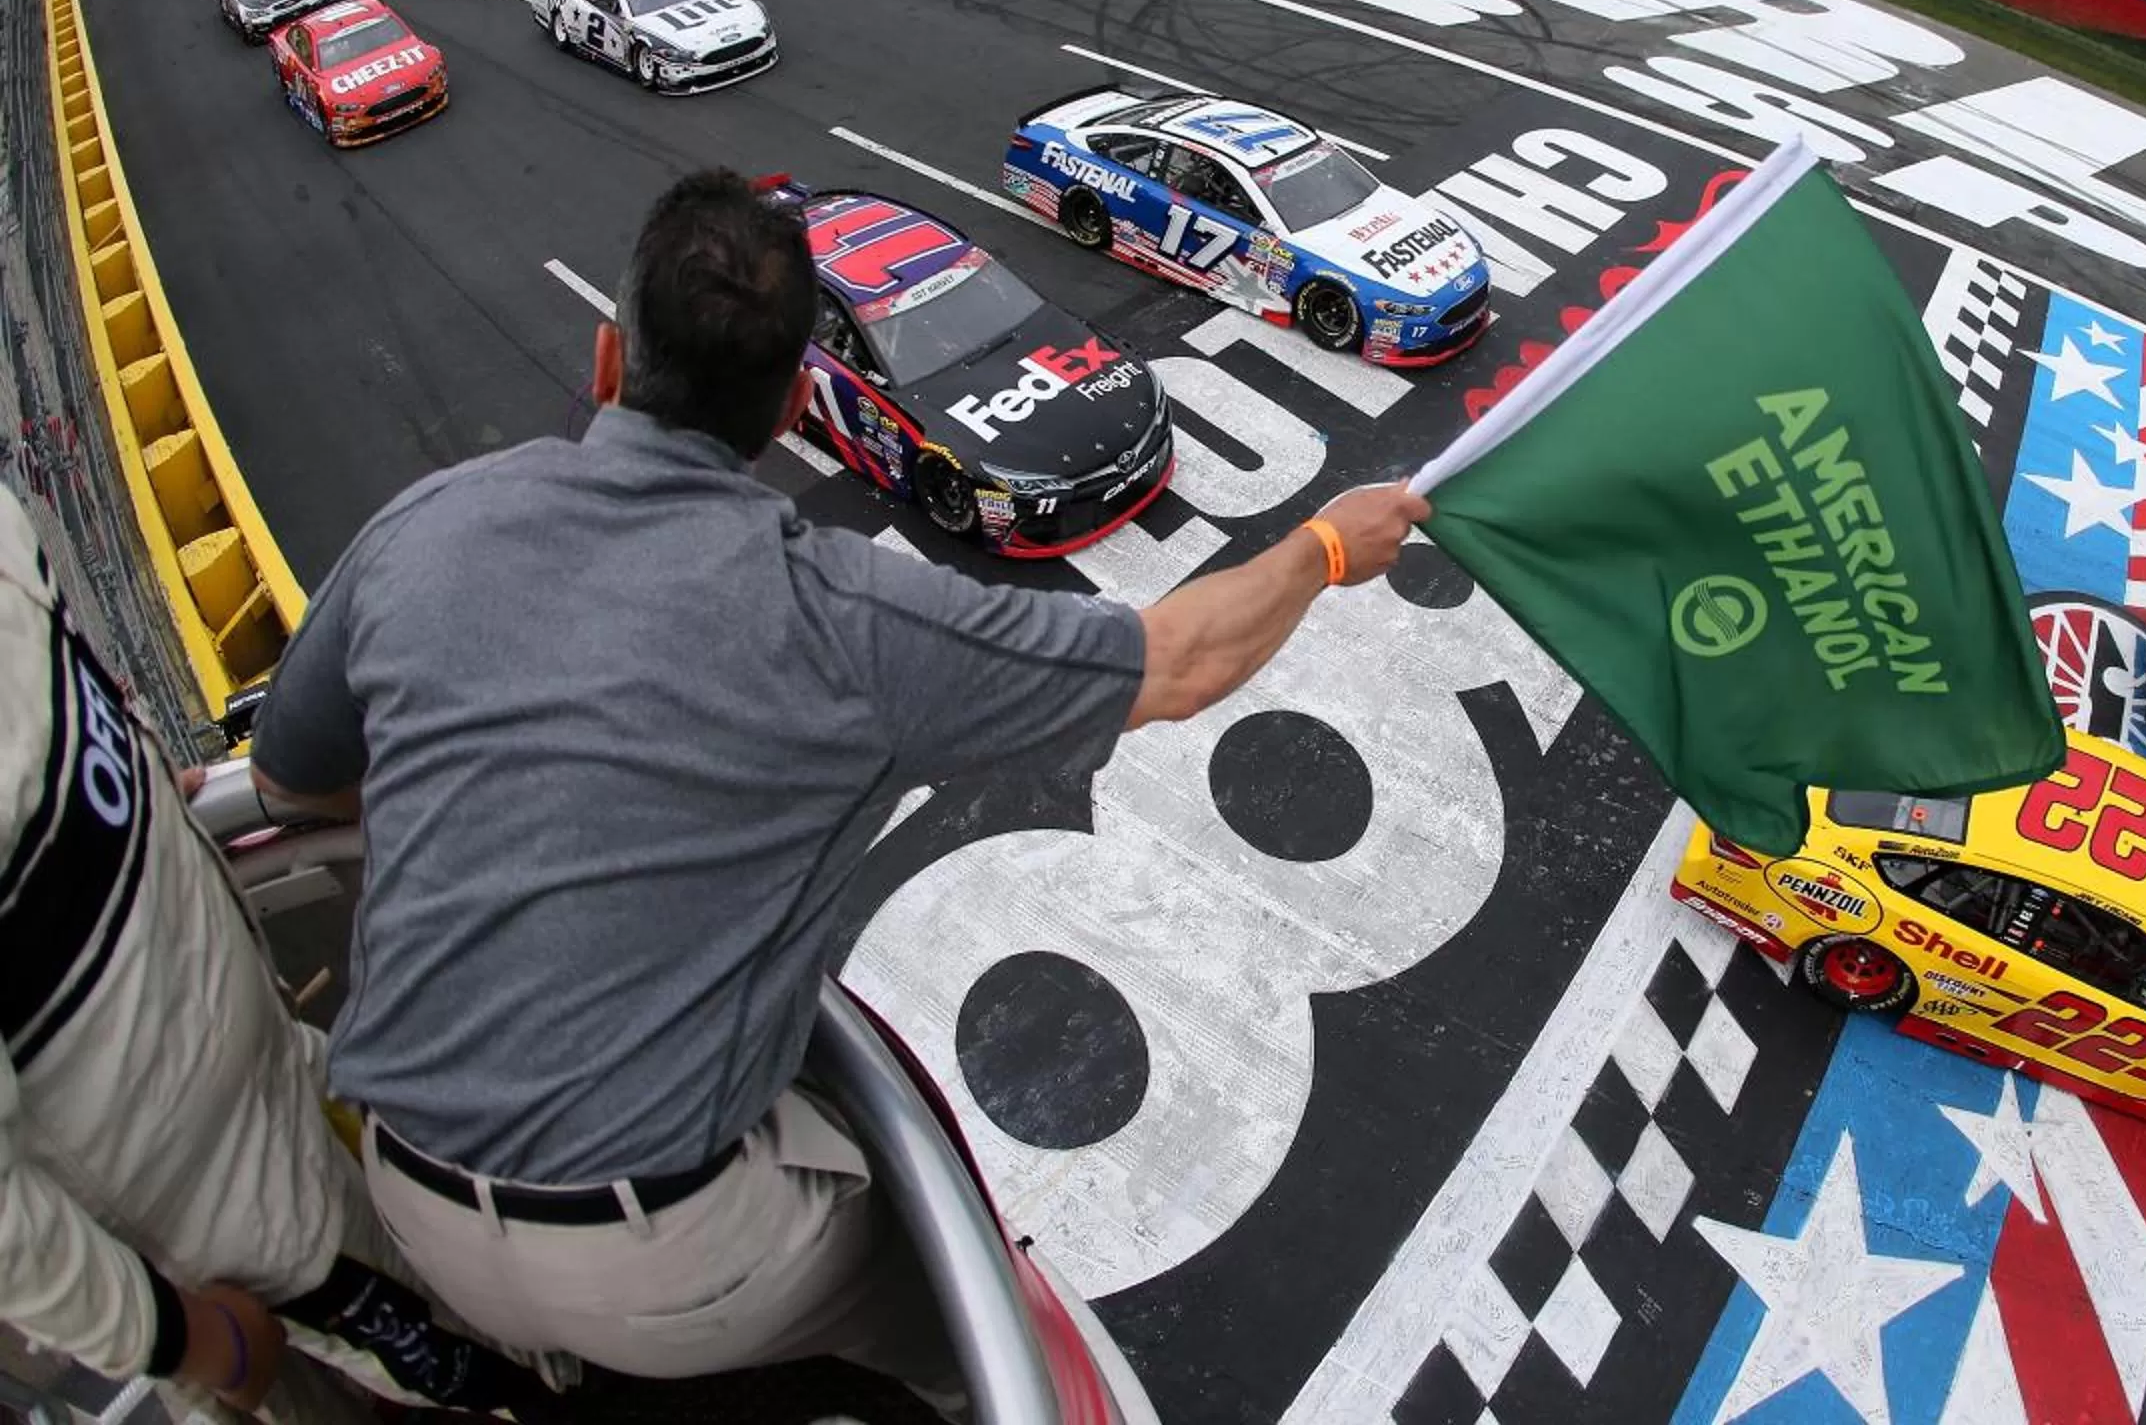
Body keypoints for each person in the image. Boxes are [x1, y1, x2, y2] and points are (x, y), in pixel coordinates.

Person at [249, 168, 1428, 1394]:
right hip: (659, 1256)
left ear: (609, 357)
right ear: (787, 405)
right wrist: (1328, 544)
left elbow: (291, 787)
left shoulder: (423, 522)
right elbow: (1185, 660)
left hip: (397, 1191)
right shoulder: (848, 615)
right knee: (989, 1322)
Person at [0, 487, 554, 1423]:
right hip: (217, 1216)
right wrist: (186, 1338)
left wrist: (131, 793)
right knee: (471, 1368)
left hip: (269, 1065)